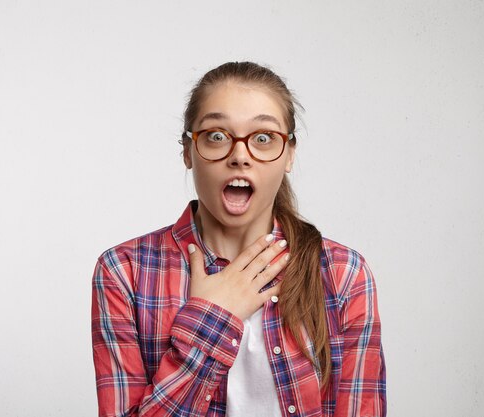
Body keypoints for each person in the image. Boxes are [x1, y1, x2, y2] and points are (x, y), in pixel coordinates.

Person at [91, 62, 386, 417]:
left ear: (289, 153)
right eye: (217, 136)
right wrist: (212, 319)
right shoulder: (124, 272)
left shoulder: (343, 273)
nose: (240, 156)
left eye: (263, 138)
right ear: (188, 151)